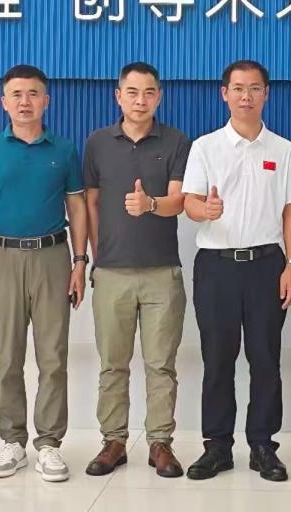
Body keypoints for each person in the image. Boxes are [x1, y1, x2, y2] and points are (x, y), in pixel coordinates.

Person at [0, 64, 88, 483]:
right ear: (4, 102)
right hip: (3, 257)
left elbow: (77, 208)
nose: (25, 101)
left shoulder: (64, 150)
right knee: (8, 355)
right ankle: (12, 440)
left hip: (52, 256)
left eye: (33, 94)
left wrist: (80, 261)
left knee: (53, 356)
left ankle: (49, 443)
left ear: (46, 101)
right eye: (16, 94)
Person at [181, 60, 291, 482]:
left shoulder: (283, 150)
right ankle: (217, 446)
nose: (246, 96)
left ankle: (263, 445)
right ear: (224, 94)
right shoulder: (206, 147)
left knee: (265, 358)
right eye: (238, 88)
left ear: (266, 93)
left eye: (254, 88)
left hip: (267, 265)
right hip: (216, 267)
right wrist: (205, 210)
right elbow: (190, 201)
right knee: (218, 358)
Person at [82, 62, 191, 478]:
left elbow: (179, 201)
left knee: (161, 364)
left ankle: (160, 443)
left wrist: (150, 205)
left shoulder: (176, 141)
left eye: (148, 93)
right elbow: (91, 203)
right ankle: (113, 441)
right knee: (113, 363)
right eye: (132, 92)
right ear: (118, 96)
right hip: (111, 271)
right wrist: (95, 257)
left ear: (159, 97)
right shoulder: (97, 143)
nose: (140, 100)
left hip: (163, 271)